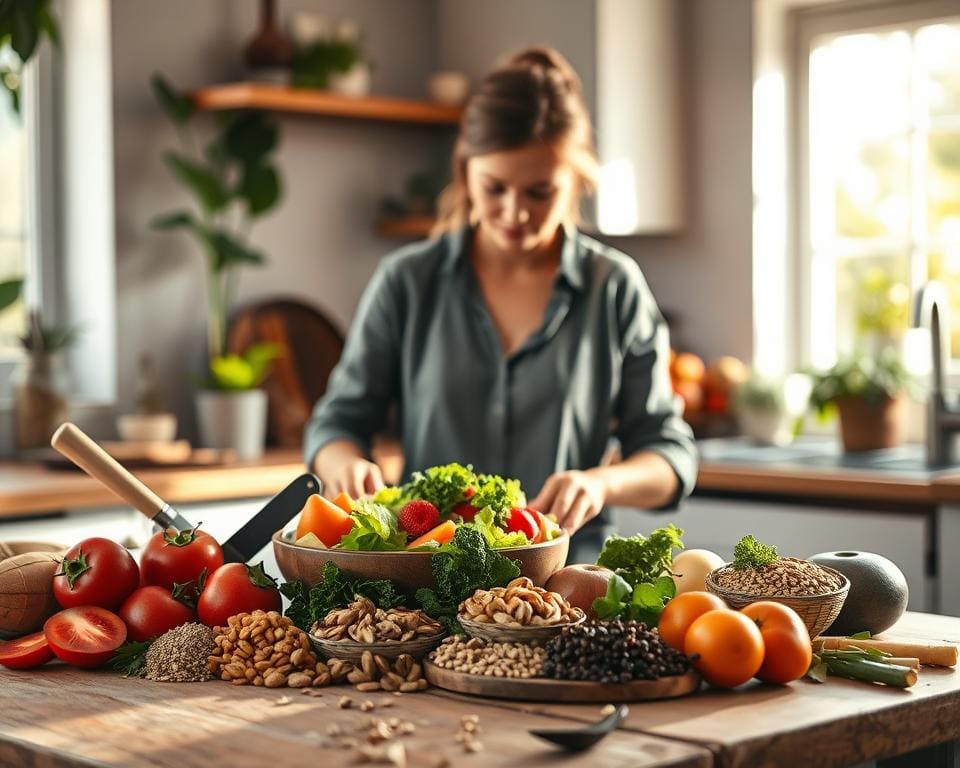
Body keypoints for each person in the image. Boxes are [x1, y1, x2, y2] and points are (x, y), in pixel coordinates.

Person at [304, 46, 697, 562]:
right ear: (466, 171)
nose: (515, 213)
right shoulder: (407, 282)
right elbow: (335, 425)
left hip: (569, 589)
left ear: (576, 180)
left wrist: (600, 484)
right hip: (429, 585)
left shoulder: (613, 287)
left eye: (539, 192)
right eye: (495, 188)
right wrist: (344, 464)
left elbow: (670, 454)